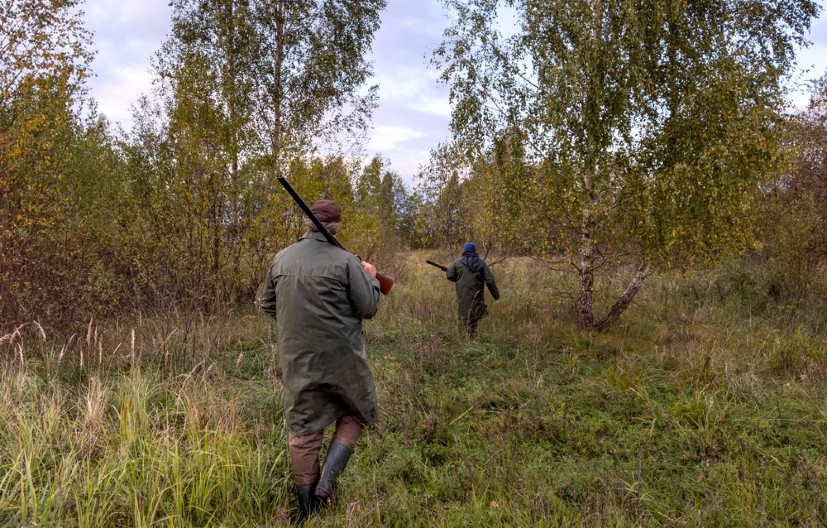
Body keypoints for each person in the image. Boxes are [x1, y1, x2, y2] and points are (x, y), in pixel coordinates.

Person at [259, 199, 381, 519]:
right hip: (345, 361)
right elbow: (369, 307)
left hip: (298, 362)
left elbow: (268, 306)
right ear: (337, 227)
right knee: (357, 410)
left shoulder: (280, 259)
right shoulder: (346, 261)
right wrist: (369, 275)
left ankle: (308, 508)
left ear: (307, 223)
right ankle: (326, 483)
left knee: (304, 433)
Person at [446, 242, 500, 336]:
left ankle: (468, 338)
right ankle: (472, 336)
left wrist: (458, 277)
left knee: (465, 317)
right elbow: (489, 280)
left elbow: (450, 275)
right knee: (474, 315)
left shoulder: (457, 262)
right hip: (477, 295)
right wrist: (496, 296)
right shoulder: (481, 262)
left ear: (464, 250)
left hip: (463, 296)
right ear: (474, 250)